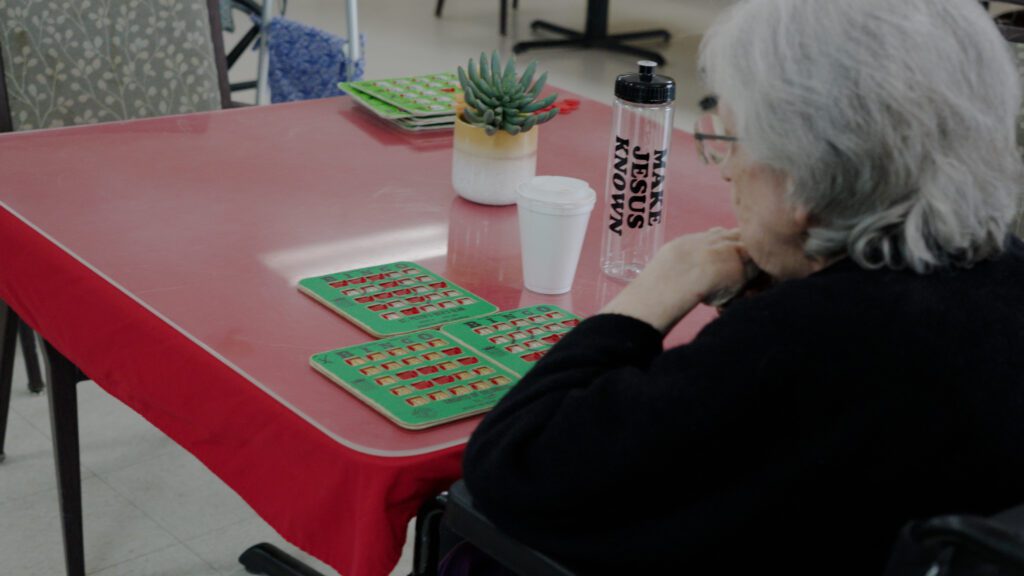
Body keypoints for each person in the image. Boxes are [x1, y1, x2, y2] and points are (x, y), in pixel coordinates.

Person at [460, 0, 1024, 574]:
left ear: (805, 179)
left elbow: (518, 468)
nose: (725, 171)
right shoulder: (1003, 274)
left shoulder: (803, 341)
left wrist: (646, 300)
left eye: (730, 141)